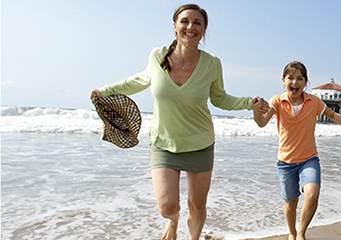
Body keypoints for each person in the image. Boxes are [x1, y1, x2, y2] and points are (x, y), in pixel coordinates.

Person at [90, 4, 268, 240]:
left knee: (197, 206)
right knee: (167, 206)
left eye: (197, 22)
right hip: (163, 142)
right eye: (184, 21)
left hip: (200, 143)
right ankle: (173, 222)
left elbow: (220, 98)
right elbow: (139, 80)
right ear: (175, 26)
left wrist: (249, 102)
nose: (190, 26)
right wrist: (105, 90)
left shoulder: (212, 63)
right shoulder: (157, 56)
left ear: (203, 30)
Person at [253, 61, 341, 240]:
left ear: (305, 82)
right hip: (285, 162)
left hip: (309, 159)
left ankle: (301, 233)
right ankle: (291, 233)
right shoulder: (277, 101)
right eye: (290, 78)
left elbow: (332, 114)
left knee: (313, 193)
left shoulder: (313, 101)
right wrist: (256, 112)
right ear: (283, 80)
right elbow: (262, 123)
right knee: (291, 202)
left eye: (300, 78)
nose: (295, 82)